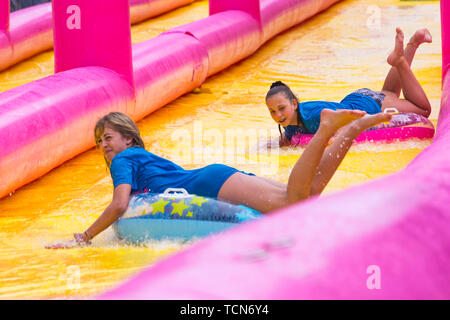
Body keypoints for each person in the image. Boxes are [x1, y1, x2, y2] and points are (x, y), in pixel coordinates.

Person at [46, 109, 391, 249]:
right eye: (99, 142)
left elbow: (120, 203)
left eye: (108, 138)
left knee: (291, 203)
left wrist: (85, 237)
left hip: (206, 184)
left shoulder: (123, 159)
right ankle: (352, 129)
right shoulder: (136, 156)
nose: (103, 147)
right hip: (212, 177)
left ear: (128, 139)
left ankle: (328, 127)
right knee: (308, 193)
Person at [266, 28, 432, 146]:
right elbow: (289, 138)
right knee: (389, 93)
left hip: (369, 105)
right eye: (272, 111)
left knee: (424, 109)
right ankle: (414, 41)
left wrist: (336, 136)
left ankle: (400, 61)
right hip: (357, 97)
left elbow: (343, 118)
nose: (278, 115)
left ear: (294, 103)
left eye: (281, 108)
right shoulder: (291, 121)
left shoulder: (313, 115)